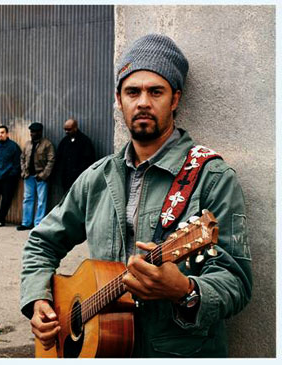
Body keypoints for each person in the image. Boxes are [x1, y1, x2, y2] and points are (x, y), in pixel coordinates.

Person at [20, 34, 252, 357]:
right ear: (119, 100)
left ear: (174, 99)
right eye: (133, 91)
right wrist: (39, 301)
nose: (143, 101)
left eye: (155, 91)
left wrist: (185, 291)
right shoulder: (97, 177)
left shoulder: (212, 178)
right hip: (103, 350)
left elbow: (236, 280)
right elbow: (42, 241)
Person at [17, 122, 55, 231]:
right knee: (28, 199)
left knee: (41, 201)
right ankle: (26, 223)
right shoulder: (27, 144)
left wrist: (43, 175)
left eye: (34, 132)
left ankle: (38, 224)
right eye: (31, 132)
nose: (32, 134)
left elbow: (51, 161)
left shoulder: (47, 144)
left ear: (40, 132)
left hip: (41, 177)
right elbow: (22, 158)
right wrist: (24, 172)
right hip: (29, 176)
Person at [0, 125, 22, 227]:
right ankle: (3, 190)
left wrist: (12, 174)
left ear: (7, 134)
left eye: (2, 133)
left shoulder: (14, 147)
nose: (0, 135)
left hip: (9, 177)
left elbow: (18, 163)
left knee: (6, 200)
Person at [55, 118, 96, 193]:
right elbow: (58, 158)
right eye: (65, 129)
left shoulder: (85, 141)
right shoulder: (64, 141)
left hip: (79, 178)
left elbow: (89, 160)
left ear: (75, 128)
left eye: (69, 129)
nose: (66, 132)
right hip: (66, 179)